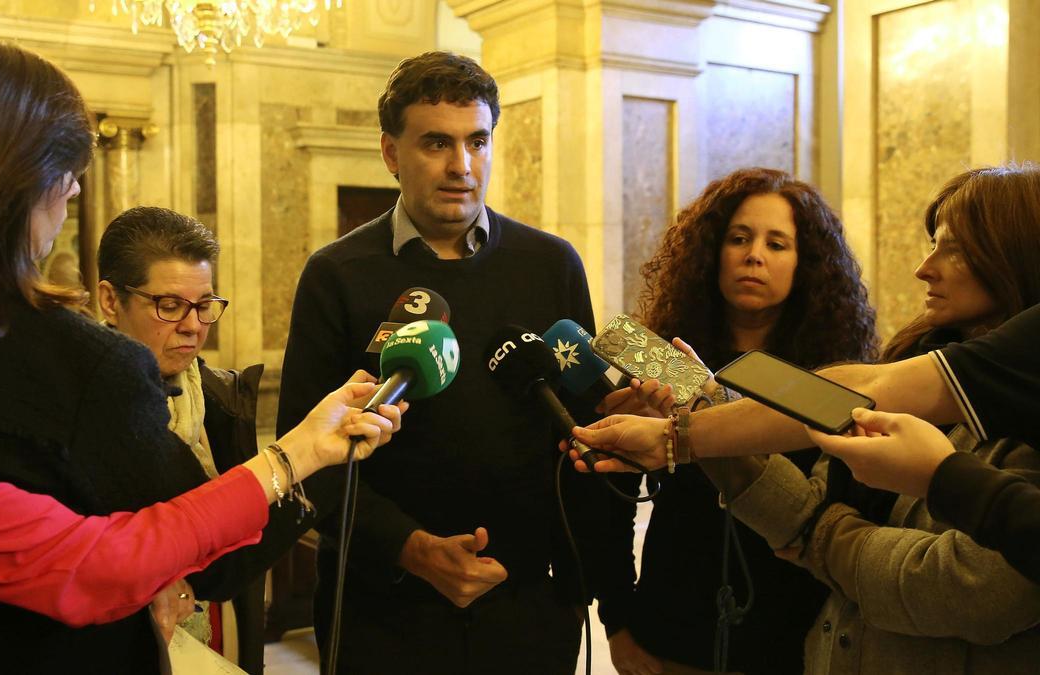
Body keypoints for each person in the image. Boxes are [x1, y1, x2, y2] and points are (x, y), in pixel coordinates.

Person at [0, 101, 403, 674]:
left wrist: (307, 450)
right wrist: (300, 456)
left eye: (205, 306)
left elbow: (101, 558)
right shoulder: (89, 379)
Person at [579, 166, 1040, 671]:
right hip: (699, 628)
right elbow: (806, 504)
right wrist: (700, 412)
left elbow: (971, 589)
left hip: (786, 635)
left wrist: (823, 535)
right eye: (738, 238)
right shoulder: (909, 359)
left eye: (953, 248)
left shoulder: (865, 377)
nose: (924, 268)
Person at [277, 51, 621, 673]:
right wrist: (409, 550)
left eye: (477, 141)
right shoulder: (336, 275)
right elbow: (305, 456)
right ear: (391, 153)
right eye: (436, 143)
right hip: (382, 610)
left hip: (526, 607)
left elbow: (583, 438)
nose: (461, 166)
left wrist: (589, 595)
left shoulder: (551, 266)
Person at [597, 168, 878, 675]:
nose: (755, 256)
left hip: (796, 637)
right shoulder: (661, 364)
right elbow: (608, 507)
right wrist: (617, 620)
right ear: (711, 253)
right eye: (740, 239)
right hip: (671, 634)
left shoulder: (835, 379)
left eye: (778, 244)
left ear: (807, 263)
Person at [96, 205, 326, 672]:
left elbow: (234, 554)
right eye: (169, 305)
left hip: (223, 634)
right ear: (109, 299)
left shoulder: (221, 396)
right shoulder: (79, 403)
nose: (192, 325)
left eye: (204, 306)